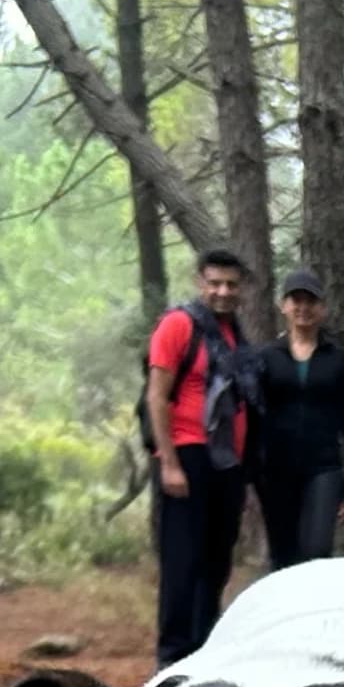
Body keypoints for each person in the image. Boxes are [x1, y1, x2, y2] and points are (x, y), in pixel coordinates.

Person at [145, 249, 252, 661]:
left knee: (216, 560)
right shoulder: (178, 325)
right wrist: (169, 462)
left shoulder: (232, 335)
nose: (223, 292)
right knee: (182, 560)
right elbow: (156, 396)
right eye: (215, 283)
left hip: (228, 464)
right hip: (187, 455)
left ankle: (204, 649)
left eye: (231, 285)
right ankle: (171, 654)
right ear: (200, 283)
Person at [250, 268, 344, 571]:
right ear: (283, 306)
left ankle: (317, 615)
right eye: (296, 300)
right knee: (282, 554)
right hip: (276, 470)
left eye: (310, 301)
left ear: (322, 308)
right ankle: (282, 616)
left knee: (317, 550)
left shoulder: (338, 360)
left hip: (324, 468)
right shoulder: (265, 357)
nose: (303, 308)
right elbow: (252, 416)